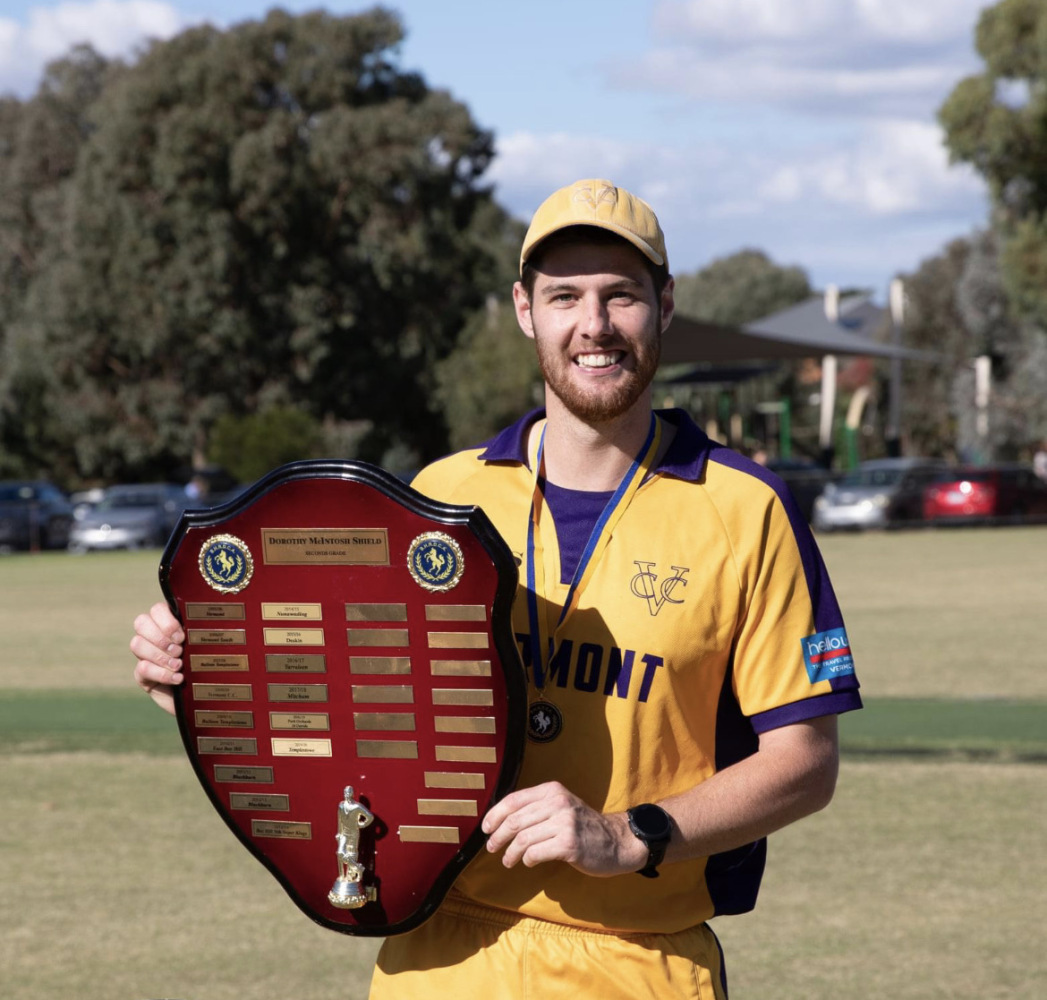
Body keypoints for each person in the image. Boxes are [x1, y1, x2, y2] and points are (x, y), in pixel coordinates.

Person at [131, 178, 862, 999]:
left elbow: (805, 762)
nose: (593, 325)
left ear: (664, 305)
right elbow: (358, 697)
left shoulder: (745, 508)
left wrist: (630, 834)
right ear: (524, 310)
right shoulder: (442, 495)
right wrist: (212, 677)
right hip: (438, 953)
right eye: (564, 296)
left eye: (620, 295)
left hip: (634, 955)